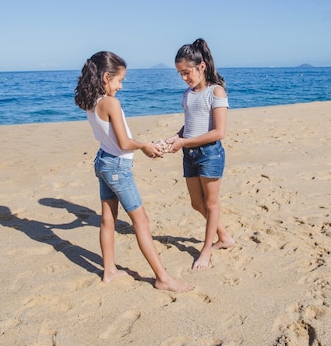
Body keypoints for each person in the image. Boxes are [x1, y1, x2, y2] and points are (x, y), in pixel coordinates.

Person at [74, 51, 193, 292]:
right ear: (107, 77)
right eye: (120, 80)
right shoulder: (110, 103)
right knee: (141, 221)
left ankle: (109, 271)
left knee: (108, 219)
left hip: (103, 162)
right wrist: (145, 146)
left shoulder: (92, 100)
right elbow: (124, 143)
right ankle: (162, 277)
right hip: (117, 166)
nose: (121, 86)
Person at [166, 39, 236, 271]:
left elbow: (219, 132)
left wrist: (185, 141)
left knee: (211, 203)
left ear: (202, 66)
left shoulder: (215, 91)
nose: (184, 78)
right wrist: (176, 138)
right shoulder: (187, 94)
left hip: (209, 154)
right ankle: (224, 237)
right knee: (197, 203)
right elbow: (190, 125)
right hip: (189, 153)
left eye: (187, 72)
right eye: (180, 74)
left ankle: (206, 250)